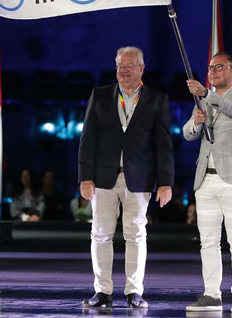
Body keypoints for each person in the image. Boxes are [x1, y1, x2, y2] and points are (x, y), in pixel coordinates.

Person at [78, 46, 173, 309]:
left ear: (141, 69)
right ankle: (102, 291)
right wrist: (85, 176)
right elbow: (87, 139)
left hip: (139, 179)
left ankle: (134, 291)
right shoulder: (100, 95)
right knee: (100, 235)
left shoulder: (156, 99)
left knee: (136, 235)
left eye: (130, 66)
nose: (124, 70)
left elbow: (163, 145)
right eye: (120, 65)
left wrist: (165, 182)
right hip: (103, 178)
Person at [182, 51, 232, 313]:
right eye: (211, 67)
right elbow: (188, 133)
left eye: (219, 67)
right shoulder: (203, 101)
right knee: (208, 241)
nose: (213, 71)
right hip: (206, 180)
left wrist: (206, 94)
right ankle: (212, 294)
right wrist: (195, 122)